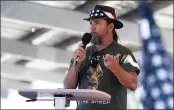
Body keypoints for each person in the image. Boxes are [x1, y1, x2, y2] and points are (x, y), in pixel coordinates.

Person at [63, 5, 140, 109]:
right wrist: (76, 64)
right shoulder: (83, 52)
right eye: (91, 23)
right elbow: (67, 88)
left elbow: (133, 84)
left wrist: (116, 68)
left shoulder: (123, 53)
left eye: (97, 23)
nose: (92, 27)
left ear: (110, 26)